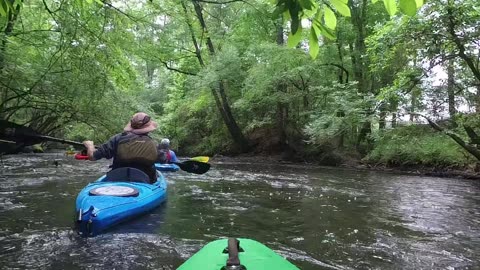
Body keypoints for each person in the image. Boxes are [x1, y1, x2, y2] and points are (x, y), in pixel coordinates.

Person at [83, 112, 158, 183]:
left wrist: (90, 145)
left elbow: (92, 157)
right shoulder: (153, 143)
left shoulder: (117, 139)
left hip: (118, 177)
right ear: (148, 129)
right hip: (146, 180)